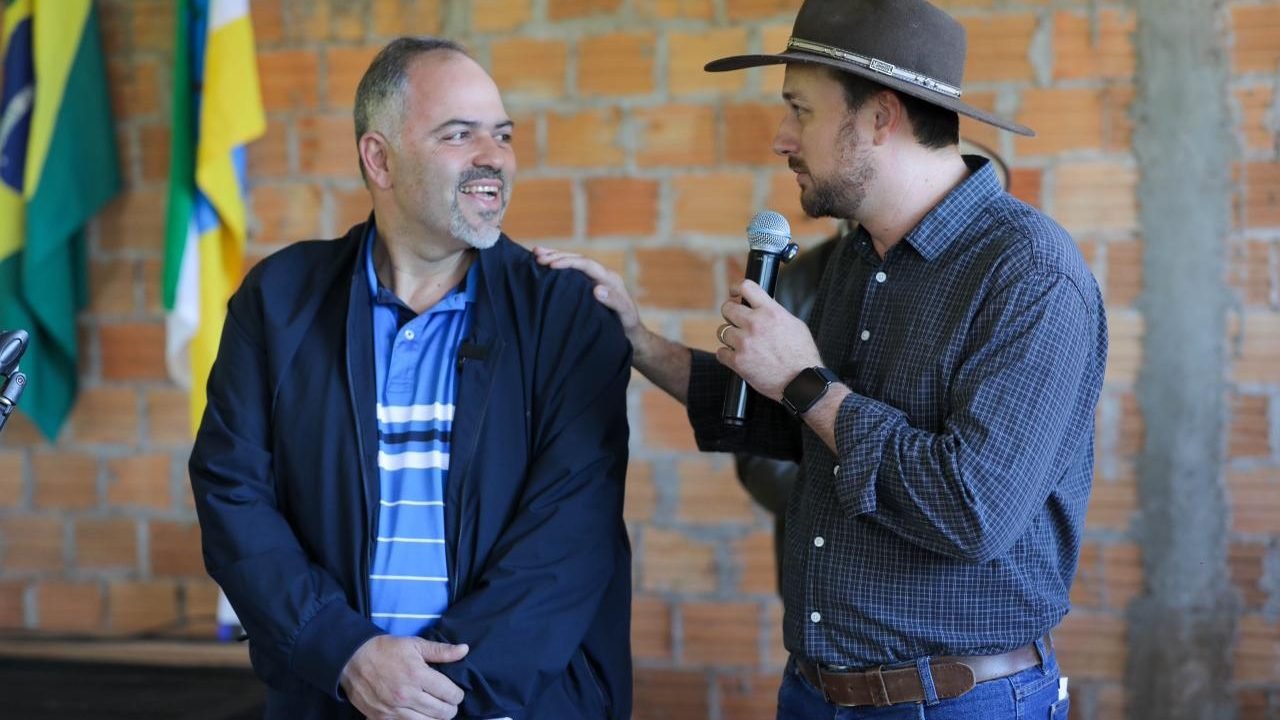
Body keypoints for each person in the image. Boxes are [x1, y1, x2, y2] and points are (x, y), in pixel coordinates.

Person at [536, 0, 1107, 717]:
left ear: (879, 118)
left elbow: (972, 509)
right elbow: (806, 431)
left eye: (800, 110)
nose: (782, 138)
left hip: (956, 703)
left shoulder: (1029, 274)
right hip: (814, 691)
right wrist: (638, 341)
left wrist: (807, 383)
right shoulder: (858, 258)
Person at [189, 37, 632, 720]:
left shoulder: (566, 311)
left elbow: (570, 538)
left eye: (503, 135)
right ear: (379, 157)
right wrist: (345, 653)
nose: (493, 157)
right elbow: (233, 494)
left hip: (517, 705)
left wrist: (432, 697)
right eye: (460, 134)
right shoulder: (277, 301)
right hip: (330, 697)